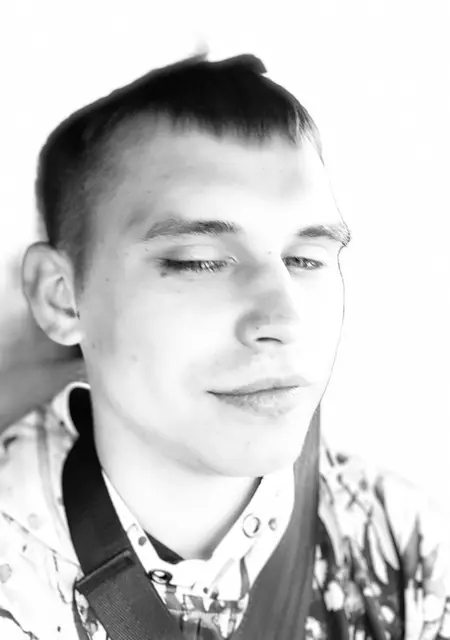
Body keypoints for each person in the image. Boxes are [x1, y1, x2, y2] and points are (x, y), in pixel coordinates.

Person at [0, 53, 448, 640]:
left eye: (305, 259)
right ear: (62, 297)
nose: (284, 318)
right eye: (200, 262)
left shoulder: (408, 544)